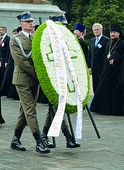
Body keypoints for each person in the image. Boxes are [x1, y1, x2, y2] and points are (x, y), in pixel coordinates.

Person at [9, 11, 50, 154]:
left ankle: (15, 139)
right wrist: (39, 75)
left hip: (34, 80)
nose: (31, 23)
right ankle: (39, 141)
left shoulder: (35, 38)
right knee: (31, 111)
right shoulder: (15, 40)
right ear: (21, 24)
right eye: (27, 21)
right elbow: (22, 62)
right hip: (23, 79)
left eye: (31, 21)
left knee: (25, 110)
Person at [40, 16, 80, 149]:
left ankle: (44, 135)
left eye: (65, 25)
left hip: (65, 79)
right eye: (62, 25)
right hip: (54, 79)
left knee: (55, 109)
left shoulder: (66, 40)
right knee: (57, 108)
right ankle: (68, 137)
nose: (65, 27)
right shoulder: (50, 41)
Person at [90, 23, 124, 116]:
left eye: (114, 32)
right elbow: (104, 58)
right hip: (107, 71)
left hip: (117, 73)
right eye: (111, 32)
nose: (112, 34)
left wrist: (116, 60)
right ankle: (103, 109)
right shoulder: (108, 44)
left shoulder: (123, 44)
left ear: (118, 33)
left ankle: (115, 110)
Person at [87, 23, 109, 93]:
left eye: (97, 30)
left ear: (101, 30)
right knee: (95, 87)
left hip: (102, 68)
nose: (96, 31)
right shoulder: (92, 40)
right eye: (94, 30)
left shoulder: (106, 40)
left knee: (102, 87)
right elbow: (90, 54)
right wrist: (89, 66)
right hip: (94, 68)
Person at [1, 28, 19, 100]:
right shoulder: (12, 40)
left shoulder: (14, 40)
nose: (14, 35)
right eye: (13, 33)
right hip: (10, 61)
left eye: (15, 33)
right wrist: (6, 61)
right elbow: (9, 52)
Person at [0, 26, 10, 95]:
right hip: (0, 61)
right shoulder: (0, 39)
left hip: (5, 61)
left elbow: (8, 51)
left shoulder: (7, 39)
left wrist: (6, 61)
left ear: (4, 31)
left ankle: (5, 91)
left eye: (1, 30)